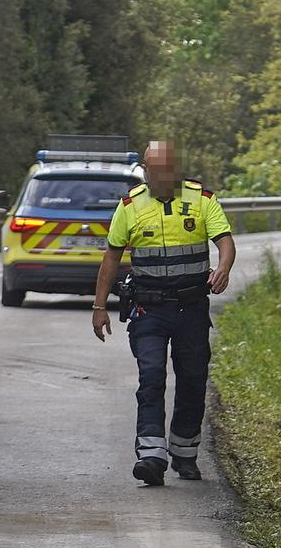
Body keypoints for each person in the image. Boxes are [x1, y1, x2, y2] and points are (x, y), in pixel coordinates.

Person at [91, 141, 235, 486]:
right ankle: (151, 455)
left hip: (191, 308)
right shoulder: (129, 206)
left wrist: (224, 268)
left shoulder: (202, 200)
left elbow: (225, 241)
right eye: (154, 170)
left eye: (167, 169)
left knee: (192, 379)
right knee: (151, 376)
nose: (160, 176)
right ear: (146, 170)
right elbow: (111, 256)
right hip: (149, 308)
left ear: (178, 169)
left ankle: (185, 454)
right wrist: (99, 307)